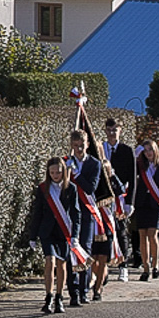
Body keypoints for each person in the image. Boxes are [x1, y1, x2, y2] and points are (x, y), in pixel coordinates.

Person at [29, 157, 81, 314]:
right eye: (52, 172)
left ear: (64, 171)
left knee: (61, 264)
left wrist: (75, 236)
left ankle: (59, 297)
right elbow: (36, 213)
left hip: (63, 231)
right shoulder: (43, 188)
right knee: (50, 261)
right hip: (47, 232)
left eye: (58, 172)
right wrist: (32, 236)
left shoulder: (71, 188)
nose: (55, 175)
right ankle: (49, 296)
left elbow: (76, 213)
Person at [64, 129, 102, 307]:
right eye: (76, 146)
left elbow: (90, 189)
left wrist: (77, 174)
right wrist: (67, 171)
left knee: (85, 250)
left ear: (87, 144)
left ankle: (84, 290)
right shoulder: (65, 162)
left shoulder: (94, 163)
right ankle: (72, 291)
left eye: (82, 145)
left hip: (86, 213)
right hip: (70, 212)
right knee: (71, 251)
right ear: (72, 145)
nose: (79, 149)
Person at [103, 118, 136, 282]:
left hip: (120, 197)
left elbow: (132, 177)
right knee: (105, 232)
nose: (112, 133)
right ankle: (105, 267)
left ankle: (123, 266)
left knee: (121, 231)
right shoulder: (101, 149)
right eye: (109, 129)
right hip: (103, 198)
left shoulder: (126, 150)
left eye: (115, 129)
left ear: (120, 131)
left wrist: (130, 202)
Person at [134, 139, 159, 281]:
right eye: (146, 150)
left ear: (155, 151)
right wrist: (136, 153)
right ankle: (146, 267)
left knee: (152, 234)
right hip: (142, 204)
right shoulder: (140, 166)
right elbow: (130, 169)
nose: (148, 153)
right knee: (142, 235)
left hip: (156, 205)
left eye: (150, 150)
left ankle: (155, 265)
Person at [90, 160, 126, 301]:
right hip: (95, 227)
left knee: (103, 260)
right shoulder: (95, 186)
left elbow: (121, 191)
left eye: (107, 171)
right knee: (94, 260)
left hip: (108, 227)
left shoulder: (113, 186)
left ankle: (98, 290)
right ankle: (94, 278)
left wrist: (113, 176)